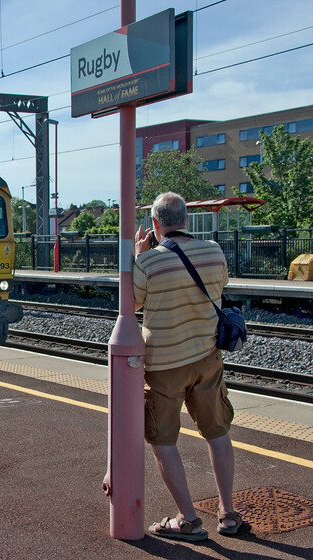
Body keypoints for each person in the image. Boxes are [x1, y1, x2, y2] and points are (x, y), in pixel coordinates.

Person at [134, 192, 244, 541]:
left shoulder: (148, 262)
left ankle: (189, 520)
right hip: (207, 358)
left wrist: (139, 257)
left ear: (155, 224)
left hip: (164, 365)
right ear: (186, 220)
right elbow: (220, 285)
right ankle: (227, 514)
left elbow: (132, 302)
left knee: (163, 439)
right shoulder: (213, 250)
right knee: (217, 432)